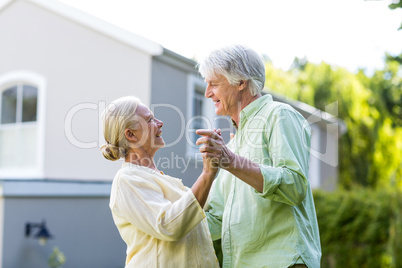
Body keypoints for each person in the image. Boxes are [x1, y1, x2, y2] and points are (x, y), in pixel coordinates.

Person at [196, 45, 322, 268]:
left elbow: (295, 186)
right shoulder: (232, 145)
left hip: (285, 262)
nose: (207, 93)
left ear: (241, 82)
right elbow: (215, 220)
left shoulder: (279, 116)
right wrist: (166, 216)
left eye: (214, 84)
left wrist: (230, 161)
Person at [101, 96, 219, 268]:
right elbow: (169, 225)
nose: (160, 122)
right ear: (131, 134)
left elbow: (202, 209)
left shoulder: (158, 178)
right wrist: (208, 173)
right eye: (150, 120)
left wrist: (228, 158)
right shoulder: (126, 180)